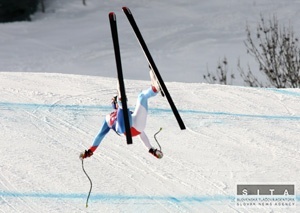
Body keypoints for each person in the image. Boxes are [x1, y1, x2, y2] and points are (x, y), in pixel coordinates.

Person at [80, 70, 163, 160]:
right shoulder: (108, 118)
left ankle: (154, 88)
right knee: (122, 108)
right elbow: (100, 135)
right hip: (124, 130)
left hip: (137, 128)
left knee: (142, 97)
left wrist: (151, 149)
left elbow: (142, 134)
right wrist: (90, 151)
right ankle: (121, 98)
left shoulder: (128, 112)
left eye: (115, 100)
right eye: (114, 100)